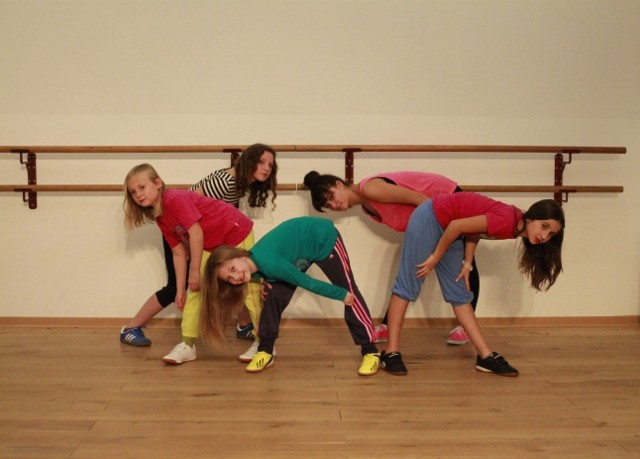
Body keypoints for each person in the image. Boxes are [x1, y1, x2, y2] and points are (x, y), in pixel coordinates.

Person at [120, 144, 277, 362]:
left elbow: (195, 232)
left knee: (249, 287)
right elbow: (177, 253)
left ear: (158, 183)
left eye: (142, 187)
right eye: (133, 192)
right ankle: (187, 344)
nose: (138, 194)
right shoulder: (161, 216)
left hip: (235, 232)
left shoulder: (174, 198)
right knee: (195, 289)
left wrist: (194, 271)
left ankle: (264, 343)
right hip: (210, 242)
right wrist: (181, 288)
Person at [379, 192, 565, 377]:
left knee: (459, 292)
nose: (544, 236)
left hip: (450, 230)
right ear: (531, 218)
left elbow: (473, 229)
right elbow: (457, 225)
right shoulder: (507, 221)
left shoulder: (515, 227)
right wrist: (435, 257)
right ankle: (390, 352)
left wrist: (467, 263)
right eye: (544, 226)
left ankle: (485, 356)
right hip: (431, 218)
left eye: (551, 234)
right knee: (409, 283)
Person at [303, 170, 479, 346]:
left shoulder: (370, 189)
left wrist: (444, 231)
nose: (333, 205)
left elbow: (421, 200)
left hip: (447, 198)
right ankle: (389, 326)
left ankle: (466, 326)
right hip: (435, 212)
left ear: (339, 184)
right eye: (328, 205)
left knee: (464, 262)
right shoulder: (366, 205)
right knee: (412, 272)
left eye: (331, 197)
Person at [199, 216, 381, 376]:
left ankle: (370, 351)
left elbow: (307, 282)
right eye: (229, 279)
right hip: (298, 252)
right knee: (272, 297)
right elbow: (271, 273)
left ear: (240, 256)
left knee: (349, 292)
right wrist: (266, 284)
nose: (236, 277)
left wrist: (341, 294)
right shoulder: (255, 266)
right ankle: (266, 351)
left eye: (233, 269)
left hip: (321, 237)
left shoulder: (269, 263)